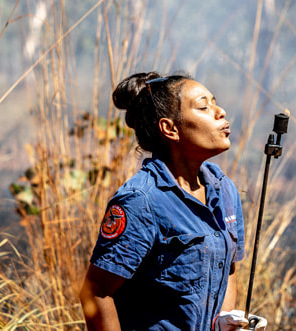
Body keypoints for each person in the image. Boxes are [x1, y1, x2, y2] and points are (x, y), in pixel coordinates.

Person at [79, 72, 267, 330]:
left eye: (215, 103)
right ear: (170, 128)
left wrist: (223, 322)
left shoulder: (224, 190)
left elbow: (228, 268)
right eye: (203, 106)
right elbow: (96, 292)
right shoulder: (141, 201)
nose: (220, 112)